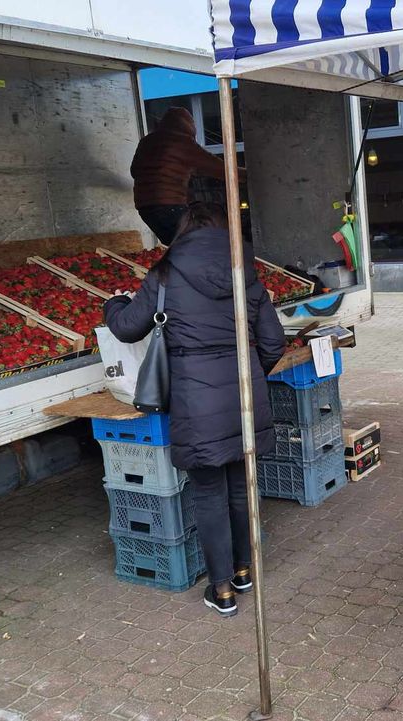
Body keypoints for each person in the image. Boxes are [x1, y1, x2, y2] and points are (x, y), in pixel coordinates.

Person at [103, 203, 286, 617]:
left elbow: (127, 327)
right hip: (244, 396)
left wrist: (113, 303)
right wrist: (249, 373)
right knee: (241, 485)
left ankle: (221, 589)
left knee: (208, 493)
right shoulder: (247, 274)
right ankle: (243, 570)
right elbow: (273, 343)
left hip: (195, 400)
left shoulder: (165, 275)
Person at [131, 108, 235, 245]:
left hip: (144, 208)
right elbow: (220, 169)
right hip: (170, 205)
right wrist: (248, 176)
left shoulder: (146, 142)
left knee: (182, 244)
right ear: (188, 125)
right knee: (197, 244)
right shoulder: (183, 143)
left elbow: (134, 171)